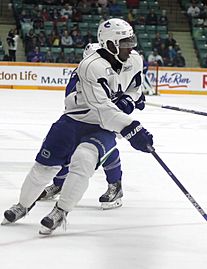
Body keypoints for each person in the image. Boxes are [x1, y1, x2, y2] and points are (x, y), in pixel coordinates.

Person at [2, 18, 154, 235]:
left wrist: (129, 99)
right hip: (76, 120)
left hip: (102, 127)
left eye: (131, 41)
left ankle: (60, 211)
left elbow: (135, 87)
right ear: (110, 44)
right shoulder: (90, 67)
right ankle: (23, 205)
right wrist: (132, 128)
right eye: (125, 42)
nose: (131, 47)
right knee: (43, 168)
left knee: (84, 160)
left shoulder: (134, 60)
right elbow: (102, 109)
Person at [38, 42, 146, 210]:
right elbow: (76, 100)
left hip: (107, 119)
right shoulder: (84, 72)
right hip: (85, 119)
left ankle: (115, 186)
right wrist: (120, 103)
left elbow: (129, 89)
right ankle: (59, 184)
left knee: (106, 148)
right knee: (68, 149)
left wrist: (132, 99)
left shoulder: (115, 67)